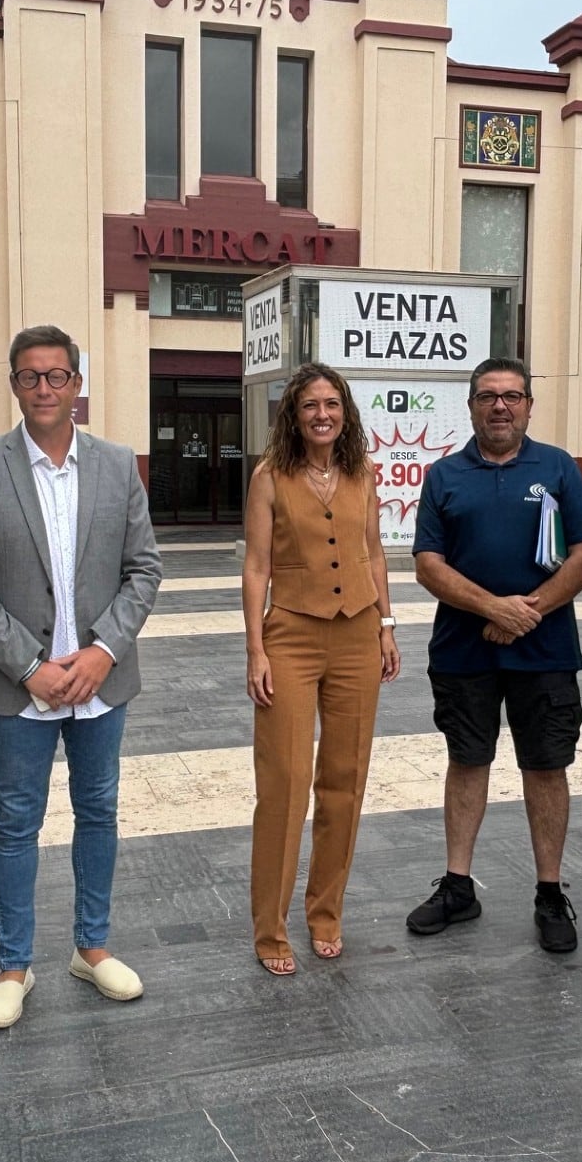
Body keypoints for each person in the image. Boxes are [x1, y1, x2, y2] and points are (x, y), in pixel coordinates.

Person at [0, 325, 162, 1029]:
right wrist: (33, 668)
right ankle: (14, 965)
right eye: (31, 377)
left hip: (102, 683)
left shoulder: (117, 464)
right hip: (19, 686)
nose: (45, 388)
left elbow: (144, 569)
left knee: (99, 811)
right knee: (17, 820)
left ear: (77, 385)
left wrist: (101, 652)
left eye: (57, 376)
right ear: (14, 385)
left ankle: (91, 948)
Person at [404, 357, 582, 952]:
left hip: (544, 651)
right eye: (488, 396)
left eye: (512, 396)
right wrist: (494, 609)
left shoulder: (559, 468)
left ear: (529, 406)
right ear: (470, 405)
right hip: (463, 652)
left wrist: (526, 613)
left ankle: (549, 892)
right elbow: (428, 565)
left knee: (545, 767)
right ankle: (458, 886)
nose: (500, 406)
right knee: (468, 762)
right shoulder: (444, 476)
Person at [243, 363, 401, 975]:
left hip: (359, 633)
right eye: (310, 405)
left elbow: (374, 554)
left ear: (345, 412)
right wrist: (256, 649)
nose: (322, 415)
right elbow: (257, 567)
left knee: (345, 780)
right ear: (294, 413)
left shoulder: (362, 471)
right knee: (283, 784)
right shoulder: (270, 477)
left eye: (331, 404)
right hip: (292, 636)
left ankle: (326, 914)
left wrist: (387, 626)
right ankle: (270, 929)